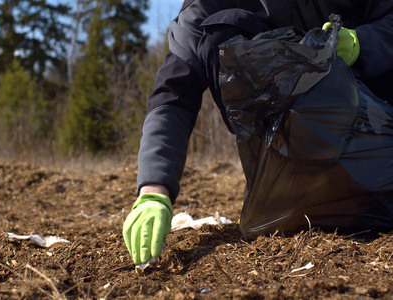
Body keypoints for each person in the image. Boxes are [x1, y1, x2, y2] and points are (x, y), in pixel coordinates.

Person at [122, 0, 393, 266]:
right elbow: (173, 98)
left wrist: (361, 44)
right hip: (284, 148)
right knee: (220, 29)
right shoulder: (204, 8)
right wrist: (154, 189)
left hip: (369, 120)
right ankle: (291, 196)